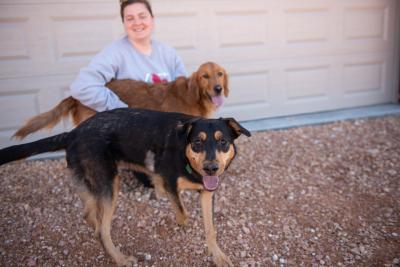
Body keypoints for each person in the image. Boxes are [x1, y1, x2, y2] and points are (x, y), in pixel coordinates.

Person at [70, 0, 187, 112]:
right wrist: (121, 110)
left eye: (142, 16)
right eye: (130, 18)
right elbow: (82, 87)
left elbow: (184, 93)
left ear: (152, 19)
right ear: (124, 23)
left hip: (165, 126)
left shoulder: (168, 53)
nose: (137, 23)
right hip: (131, 127)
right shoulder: (114, 53)